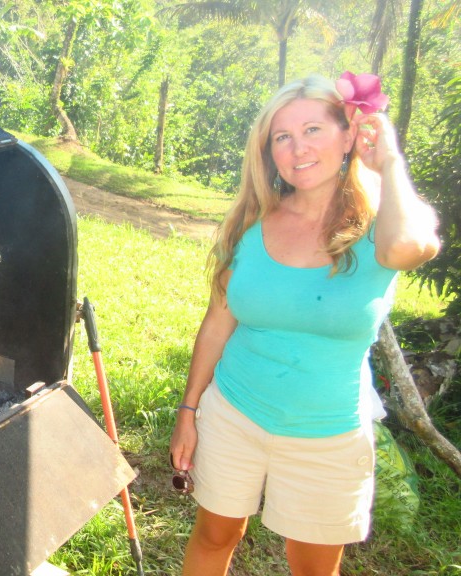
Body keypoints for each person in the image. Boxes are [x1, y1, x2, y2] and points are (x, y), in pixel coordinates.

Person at [169, 74, 440, 576]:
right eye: (282, 137)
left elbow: (407, 249)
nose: (298, 149)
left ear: (349, 136)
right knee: (214, 534)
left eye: (313, 129)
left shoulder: (383, 220)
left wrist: (390, 161)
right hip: (234, 412)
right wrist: (189, 409)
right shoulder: (250, 223)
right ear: (268, 151)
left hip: (329, 433)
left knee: (312, 569)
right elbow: (217, 322)